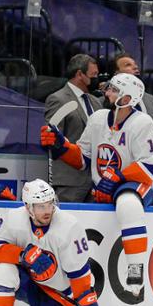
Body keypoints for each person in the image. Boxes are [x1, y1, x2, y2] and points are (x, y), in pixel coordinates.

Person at [40, 73, 153, 294]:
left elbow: (152, 167)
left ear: (127, 98)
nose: (107, 92)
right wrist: (61, 146)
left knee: (128, 204)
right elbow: (83, 159)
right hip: (104, 186)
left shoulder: (142, 123)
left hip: (135, 184)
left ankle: (135, 268)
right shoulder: (98, 119)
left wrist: (118, 177)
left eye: (114, 90)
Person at [44, 54, 104, 203]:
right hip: (69, 180)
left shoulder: (96, 102)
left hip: (96, 181)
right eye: (94, 74)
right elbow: (52, 141)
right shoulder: (58, 99)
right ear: (79, 74)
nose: (97, 78)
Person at [111, 52, 153, 128]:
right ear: (117, 73)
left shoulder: (150, 99)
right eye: (128, 65)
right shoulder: (107, 100)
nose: (135, 67)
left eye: (135, 64)